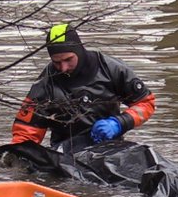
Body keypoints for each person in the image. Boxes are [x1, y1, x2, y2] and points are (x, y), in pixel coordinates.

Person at [11, 23, 156, 148]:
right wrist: (17, 155)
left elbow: (145, 103)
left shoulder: (111, 69)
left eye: (68, 60)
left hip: (111, 147)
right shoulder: (45, 84)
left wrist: (119, 123)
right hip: (65, 153)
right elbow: (26, 130)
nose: (63, 68)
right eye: (57, 62)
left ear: (79, 51)